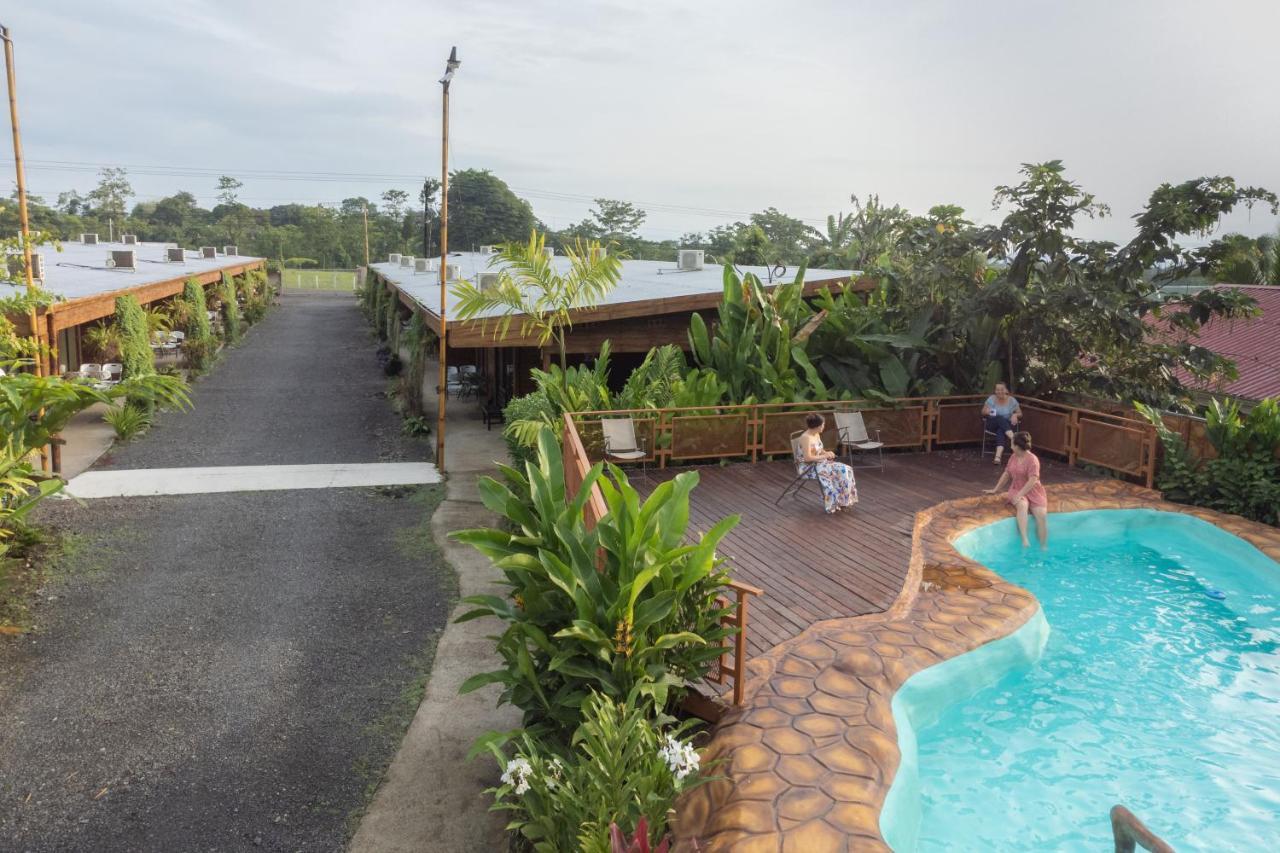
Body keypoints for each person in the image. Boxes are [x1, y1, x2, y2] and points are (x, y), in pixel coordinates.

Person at [984, 431, 1048, 547]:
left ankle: (1043, 547)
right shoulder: (1013, 457)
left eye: (1012, 444)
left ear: (1017, 447)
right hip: (1016, 488)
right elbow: (1007, 473)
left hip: (1033, 490)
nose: (1010, 446)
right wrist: (995, 489)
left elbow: (1032, 480)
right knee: (1022, 505)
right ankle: (1024, 540)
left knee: (1041, 517)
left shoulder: (1033, 460)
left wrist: (1021, 494)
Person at [800, 413, 858, 514]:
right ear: (817, 426)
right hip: (809, 467)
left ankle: (844, 500)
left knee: (846, 469)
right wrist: (824, 456)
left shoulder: (816, 434)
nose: (823, 426)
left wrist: (827, 453)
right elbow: (807, 458)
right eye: (822, 425)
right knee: (830, 473)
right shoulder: (806, 437)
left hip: (820, 463)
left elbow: (819, 449)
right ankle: (832, 503)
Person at [982, 382, 1022, 465]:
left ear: (1006, 390)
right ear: (995, 391)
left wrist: (1015, 414)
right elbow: (983, 412)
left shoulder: (1012, 400)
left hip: (1005, 426)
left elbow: (1020, 413)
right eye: (997, 390)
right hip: (992, 424)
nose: (999, 391)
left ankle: (998, 456)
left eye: (1002, 389)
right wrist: (987, 411)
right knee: (999, 418)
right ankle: (1014, 438)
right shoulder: (991, 399)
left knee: (1001, 430)